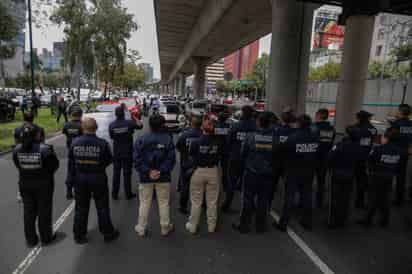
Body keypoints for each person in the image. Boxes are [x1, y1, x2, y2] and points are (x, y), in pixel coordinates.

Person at [69, 117, 120, 244]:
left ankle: (79, 235)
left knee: (80, 208)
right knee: (102, 207)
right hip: (98, 177)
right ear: (95, 128)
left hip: (80, 178)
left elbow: (71, 165)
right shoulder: (102, 143)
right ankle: (108, 233)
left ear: (82, 128)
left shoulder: (74, 143)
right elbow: (109, 160)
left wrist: (69, 184)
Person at [13, 125, 59, 247]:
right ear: (37, 135)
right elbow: (54, 166)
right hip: (43, 184)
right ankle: (46, 237)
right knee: (44, 211)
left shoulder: (17, 149)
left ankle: (31, 239)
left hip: (25, 184)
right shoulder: (45, 149)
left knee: (28, 212)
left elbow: (18, 165)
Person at [275, 114, 319, 232]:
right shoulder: (315, 137)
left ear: (298, 124)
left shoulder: (293, 137)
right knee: (307, 196)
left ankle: (283, 223)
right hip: (308, 171)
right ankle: (307, 221)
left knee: (289, 197)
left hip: (293, 171)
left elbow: (281, 151)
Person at [134, 115, 176, 237]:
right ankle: (165, 227)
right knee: (163, 202)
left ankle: (141, 228)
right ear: (163, 125)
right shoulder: (168, 139)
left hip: (145, 177)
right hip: (163, 177)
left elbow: (137, 160)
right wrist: (160, 171)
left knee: (144, 202)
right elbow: (171, 159)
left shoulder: (141, 139)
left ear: (149, 125)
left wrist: (148, 172)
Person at [233, 112, 275, 234]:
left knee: (247, 199)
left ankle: (244, 225)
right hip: (267, 173)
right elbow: (277, 155)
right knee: (263, 200)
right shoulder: (274, 137)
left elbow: (243, 153)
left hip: (251, 172)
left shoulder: (250, 137)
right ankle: (260, 226)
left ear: (258, 122)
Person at [358, 127, 404, 227]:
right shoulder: (399, 151)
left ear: (386, 138)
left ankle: (368, 219)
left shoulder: (378, 149)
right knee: (385, 199)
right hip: (389, 177)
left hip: (376, 177)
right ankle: (384, 220)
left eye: (383, 136)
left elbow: (370, 162)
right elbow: (399, 164)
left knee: (372, 198)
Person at [185, 115, 221, 234]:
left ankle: (193, 226)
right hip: (213, 171)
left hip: (198, 171)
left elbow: (191, 156)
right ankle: (211, 226)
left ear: (202, 128)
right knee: (212, 201)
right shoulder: (218, 141)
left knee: (196, 201)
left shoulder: (196, 142)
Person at [222, 105, 256, 212]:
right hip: (249, 159)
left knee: (231, 182)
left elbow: (228, 141)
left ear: (242, 113)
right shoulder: (255, 127)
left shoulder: (235, 126)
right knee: (249, 185)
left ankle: (227, 204)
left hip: (235, 158)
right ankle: (250, 206)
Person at [327, 126, 362, 228]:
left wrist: (330, 167)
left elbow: (330, 157)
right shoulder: (358, 147)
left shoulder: (340, 145)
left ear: (347, 134)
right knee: (345, 198)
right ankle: (342, 220)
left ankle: (332, 221)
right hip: (350, 173)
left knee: (334, 197)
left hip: (337, 173)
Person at [109, 106, 143, 200]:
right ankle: (128, 194)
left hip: (117, 152)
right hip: (127, 151)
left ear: (116, 114)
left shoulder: (112, 125)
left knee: (116, 173)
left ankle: (114, 194)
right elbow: (140, 125)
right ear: (124, 114)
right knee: (127, 173)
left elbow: (111, 137)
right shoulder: (129, 123)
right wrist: (134, 117)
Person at [175, 115, 202, 214]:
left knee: (185, 186)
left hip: (186, 164)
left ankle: (183, 207)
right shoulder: (204, 134)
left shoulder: (184, 134)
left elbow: (178, 147)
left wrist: (184, 153)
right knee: (200, 187)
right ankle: (200, 206)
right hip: (200, 165)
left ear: (191, 123)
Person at [270, 110, 296, 208]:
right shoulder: (294, 132)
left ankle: (268, 203)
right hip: (289, 162)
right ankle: (288, 205)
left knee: (272, 184)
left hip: (276, 161)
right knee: (288, 187)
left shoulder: (276, 130)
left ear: (281, 119)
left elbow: (273, 145)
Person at [352, 110, 378, 209]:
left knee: (350, 178)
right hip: (366, 157)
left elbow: (350, 135)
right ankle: (360, 201)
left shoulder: (356, 128)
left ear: (359, 118)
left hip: (354, 156)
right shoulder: (373, 129)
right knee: (361, 180)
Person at [312, 108, 336, 208]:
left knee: (307, 181)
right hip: (325, 158)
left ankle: (304, 202)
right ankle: (319, 202)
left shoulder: (313, 127)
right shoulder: (332, 129)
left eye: (316, 115)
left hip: (313, 157)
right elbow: (331, 142)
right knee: (321, 182)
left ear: (319, 115)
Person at [390, 104, 412, 206]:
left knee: (389, 173)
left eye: (398, 110)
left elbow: (390, 136)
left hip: (395, 151)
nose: (396, 111)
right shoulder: (410, 124)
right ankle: (400, 198)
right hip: (405, 152)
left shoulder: (396, 123)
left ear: (401, 112)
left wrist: (392, 124)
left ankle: (385, 195)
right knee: (401, 176)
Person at [62, 108, 83, 200]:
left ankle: (69, 191)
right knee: (81, 171)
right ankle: (79, 191)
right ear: (80, 115)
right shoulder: (82, 125)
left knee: (70, 171)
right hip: (80, 151)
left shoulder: (66, 125)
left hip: (70, 150)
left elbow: (65, 133)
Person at [214, 111, 231, 201]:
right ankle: (225, 186)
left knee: (214, 168)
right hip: (226, 151)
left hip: (216, 150)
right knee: (225, 170)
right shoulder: (229, 127)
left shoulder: (215, 126)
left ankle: (215, 184)